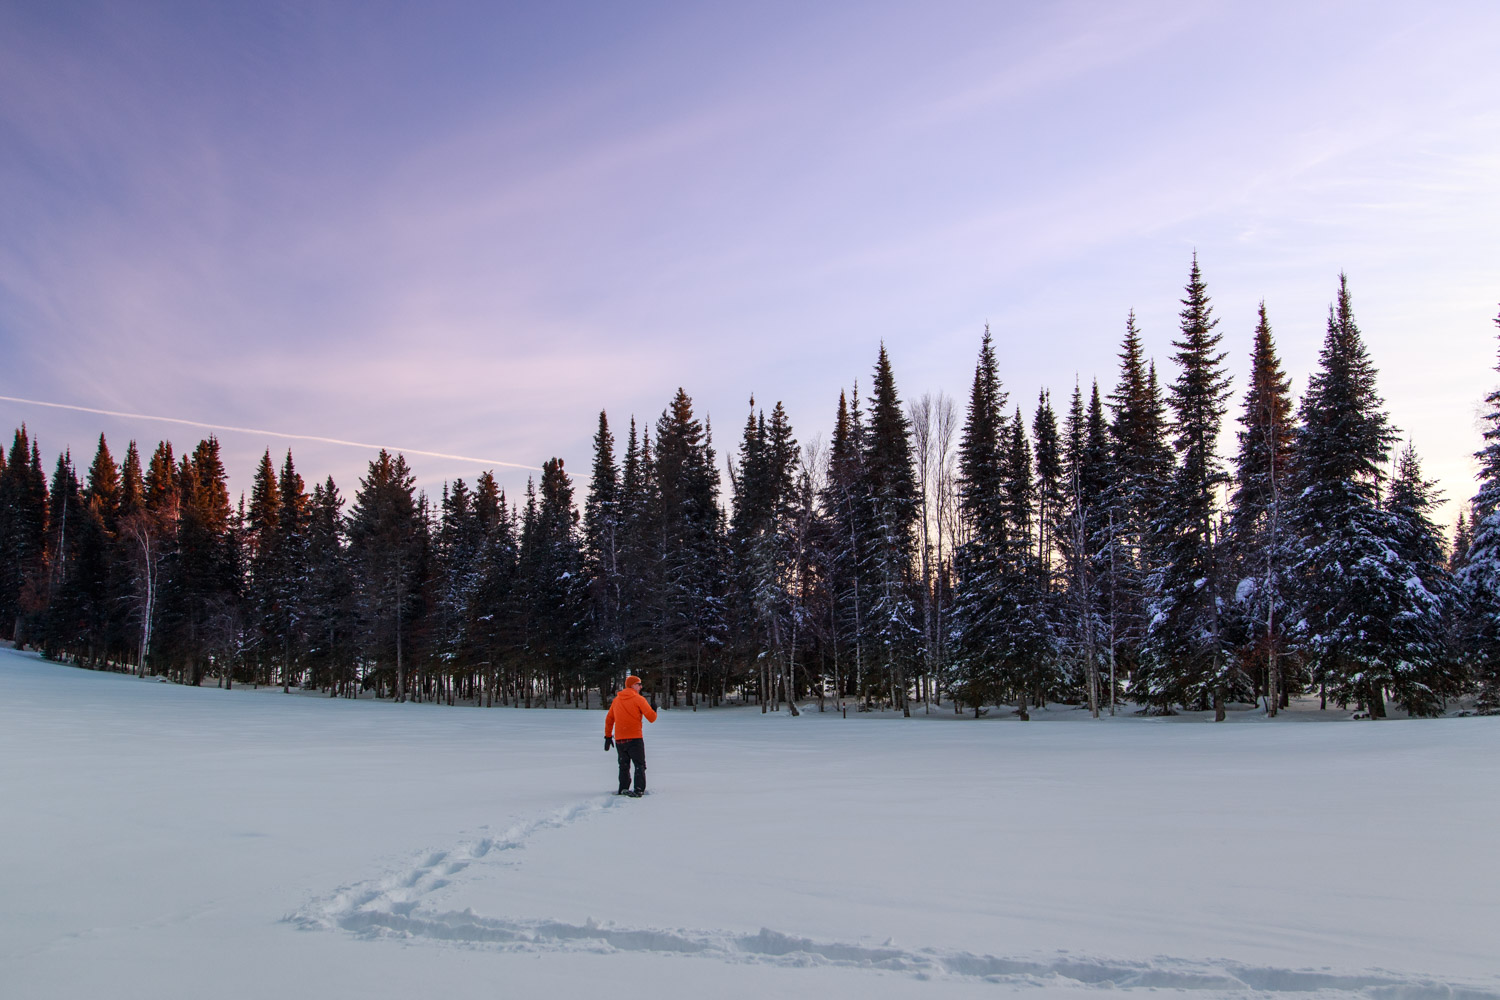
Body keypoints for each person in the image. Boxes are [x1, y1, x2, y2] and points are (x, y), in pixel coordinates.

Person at [604, 675, 657, 796]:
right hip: (634, 738)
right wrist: (654, 710)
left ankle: (623, 788)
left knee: (623, 765)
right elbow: (652, 718)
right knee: (639, 765)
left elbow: (609, 719)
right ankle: (638, 790)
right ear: (632, 685)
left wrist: (607, 736)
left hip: (620, 740)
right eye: (639, 684)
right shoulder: (638, 699)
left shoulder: (617, 700)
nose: (641, 686)